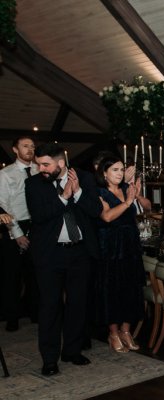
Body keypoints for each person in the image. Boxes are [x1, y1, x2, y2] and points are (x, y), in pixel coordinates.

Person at [25, 143, 102, 376]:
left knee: (78, 304)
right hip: (49, 254)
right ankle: (49, 359)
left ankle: (72, 350)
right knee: (50, 306)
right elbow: (38, 215)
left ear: (61, 163)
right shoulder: (33, 184)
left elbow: (96, 211)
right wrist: (63, 197)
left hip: (79, 252)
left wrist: (77, 193)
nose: (41, 169)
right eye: (39, 164)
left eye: (46, 164)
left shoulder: (85, 179)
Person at [95, 156, 146, 353]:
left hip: (130, 246)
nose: (119, 173)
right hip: (110, 247)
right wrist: (127, 202)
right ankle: (113, 333)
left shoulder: (127, 189)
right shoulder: (100, 193)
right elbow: (107, 216)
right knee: (112, 290)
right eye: (115, 170)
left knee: (131, 289)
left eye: (121, 169)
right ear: (105, 174)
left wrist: (137, 197)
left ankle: (126, 330)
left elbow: (143, 209)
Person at [0, 136, 38, 332]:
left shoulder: (40, 170)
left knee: (35, 273)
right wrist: (17, 234)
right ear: (15, 150)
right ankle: (12, 317)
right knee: (13, 276)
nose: (30, 149)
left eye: (32, 146)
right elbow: (3, 205)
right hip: (15, 225)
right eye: (25, 146)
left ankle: (34, 312)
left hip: (37, 225)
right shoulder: (6, 174)